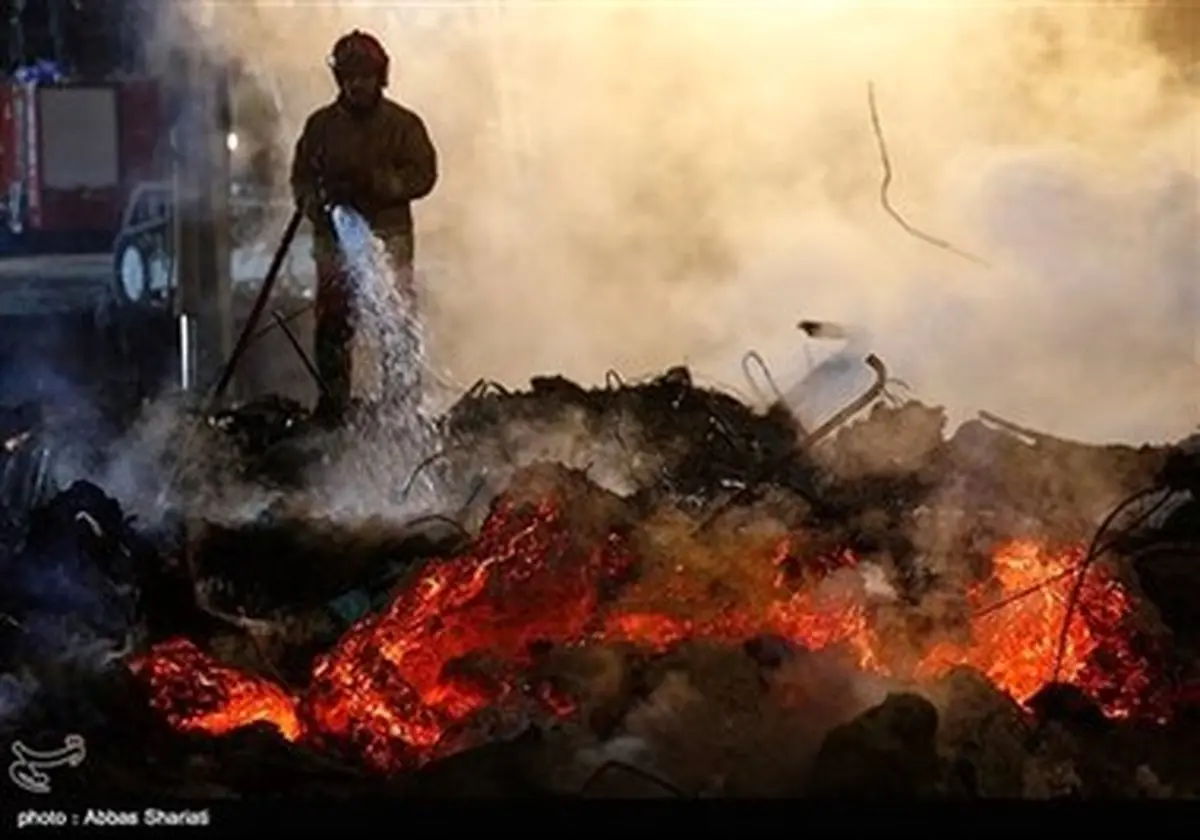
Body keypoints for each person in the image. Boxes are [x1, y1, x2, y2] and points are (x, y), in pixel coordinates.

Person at [289, 29, 438, 425]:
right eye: (350, 77)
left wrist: (379, 182)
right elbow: (301, 180)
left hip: (390, 239)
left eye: (365, 76)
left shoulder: (403, 125)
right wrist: (320, 203)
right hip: (333, 242)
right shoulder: (320, 127)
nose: (358, 85)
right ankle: (334, 404)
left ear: (380, 77)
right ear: (339, 79)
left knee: (396, 318)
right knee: (333, 321)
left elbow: (424, 175)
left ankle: (401, 404)